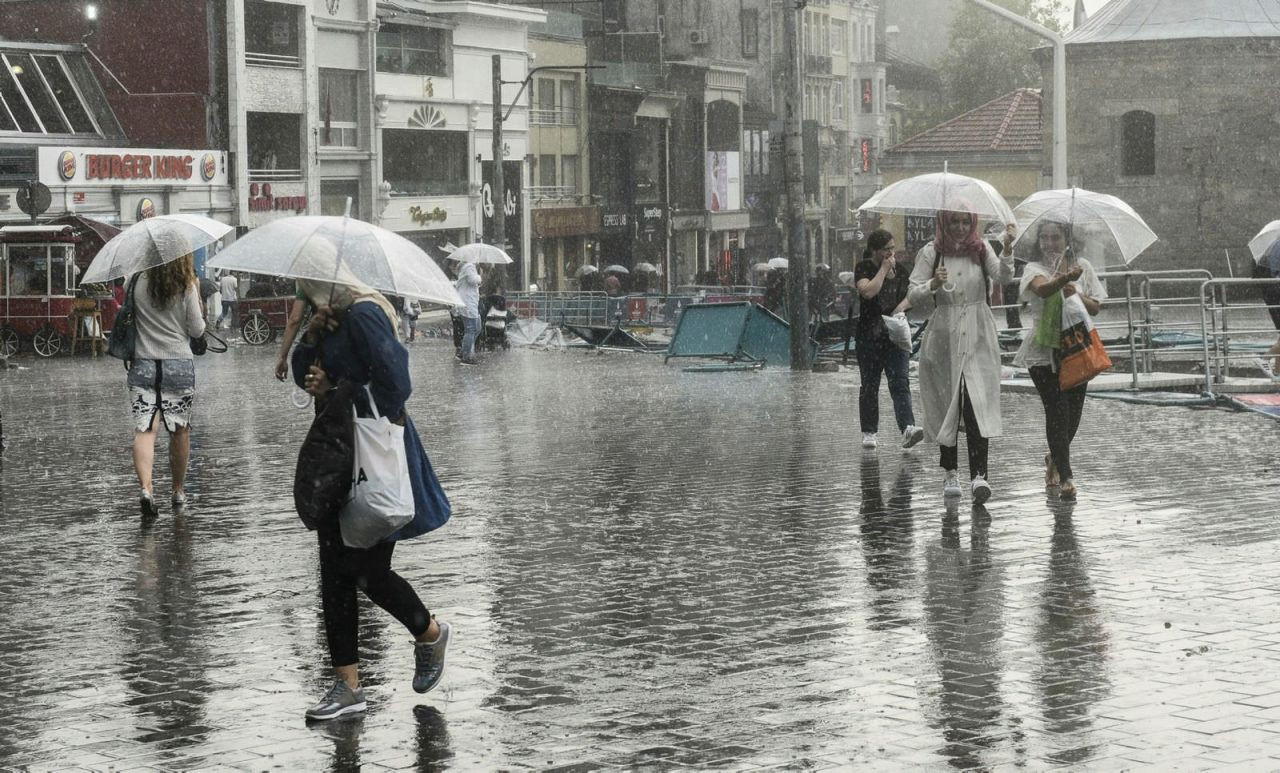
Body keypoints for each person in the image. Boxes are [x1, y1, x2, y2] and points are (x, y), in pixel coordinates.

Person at [290, 256, 450, 722]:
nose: (302, 295)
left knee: (366, 572)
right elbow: (307, 371)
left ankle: (429, 632)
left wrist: (338, 386)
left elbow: (397, 384)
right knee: (336, 574)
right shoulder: (334, 316)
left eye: (305, 286)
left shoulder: (365, 313)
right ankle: (348, 687)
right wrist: (313, 339)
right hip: (337, 455)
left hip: (372, 453)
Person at [908, 208, 1014, 503]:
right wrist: (932, 284)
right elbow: (913, 292)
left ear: (972, 223)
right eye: (953, 221)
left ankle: (980, 474)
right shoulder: (931, 252)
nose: (959, 226)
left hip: (979, 331)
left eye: (965, 221)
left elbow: (1003, 276)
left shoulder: (981, 250)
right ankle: (950, 470)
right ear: (944, 222)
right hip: (945, 333)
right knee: (947, 400)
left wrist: (1006, 248)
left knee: (978, 401)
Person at [1013, 219, 1106, 500]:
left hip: (1076, 347)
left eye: (1056, 237)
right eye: (1045, 238)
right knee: (1057, 412)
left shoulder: (1084, 267)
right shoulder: (1034, 269)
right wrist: (1065, 279)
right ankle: (1066, 476)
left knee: (1073, 414)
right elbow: (1042, 289)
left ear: (1067, 239)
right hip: (1044, 351)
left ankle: (1054, 457)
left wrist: (1076, 290)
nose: (1050, 243)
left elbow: (1097, 306)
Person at [128, 251, 206, 517]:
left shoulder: (136, 280)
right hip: (178, 365)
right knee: (179, 429)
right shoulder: (186, 283)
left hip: (143, 363)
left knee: (146, 429)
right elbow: (197, 330)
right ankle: (178, 491)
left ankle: (147, 489)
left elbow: (130, 320)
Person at [855, 229, 924, 451]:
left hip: (895, 335)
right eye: (886, 249)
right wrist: (883, 270)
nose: (891, 253)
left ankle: (907, 428)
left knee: (900, 382)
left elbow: (910, 297)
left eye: (893, 248)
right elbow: (868, 292)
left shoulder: (901, 271)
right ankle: (869, 431)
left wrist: (900, 309)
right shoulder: (864, 267)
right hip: (869, 334)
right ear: (875, 251)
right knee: (870, 384)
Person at [274, 284, 309, 381]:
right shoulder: (347, 280)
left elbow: (295, 320)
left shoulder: (309, 284)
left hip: (326, 340)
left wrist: (283, 357)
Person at [1256, 241, 1280, 378]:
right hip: (1276, 293)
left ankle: (1278, 372)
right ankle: (1264, 358)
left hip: (1273, 293)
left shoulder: (1275, 245)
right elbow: (1276, 272)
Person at [454, 260, 481, 364]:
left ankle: (464, 350)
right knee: (471, 329)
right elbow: (472, 280)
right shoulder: (470, 266)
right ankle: (466, 357)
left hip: (470, 303)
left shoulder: (468, 267)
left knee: (477, 328)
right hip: (468, 303)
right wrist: (480, 276)